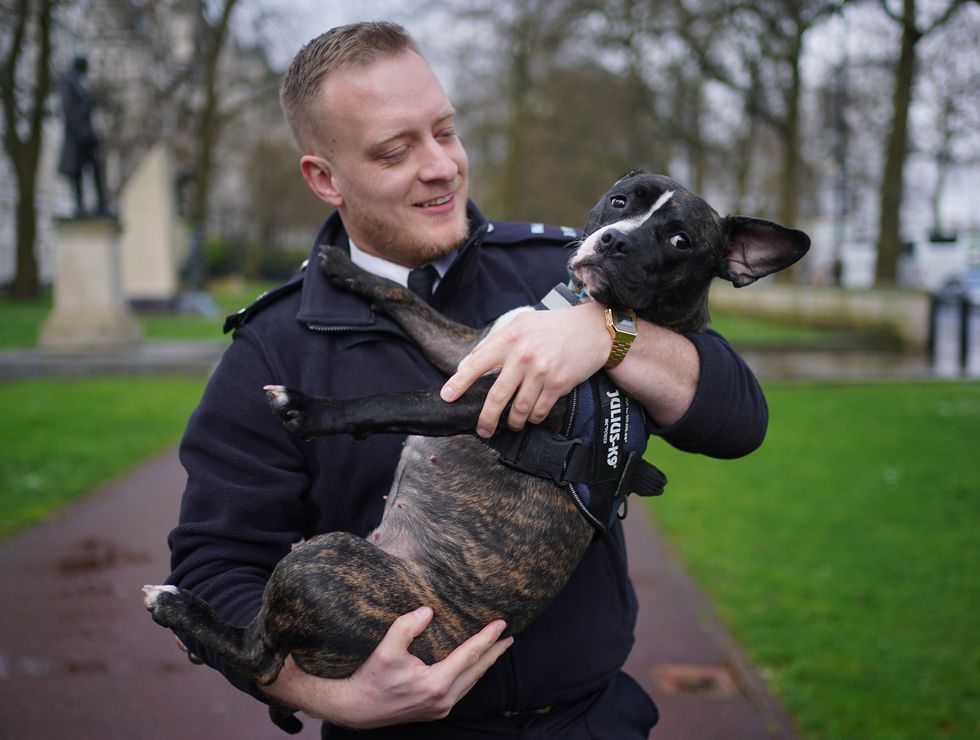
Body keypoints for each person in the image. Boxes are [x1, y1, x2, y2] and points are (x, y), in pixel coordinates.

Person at [167, 21, 769, 739]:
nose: (441, 167)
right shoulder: (271, 347)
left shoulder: (568, 268)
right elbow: (214, 562)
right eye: (396, 150)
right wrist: (323, 695)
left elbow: (739, 418)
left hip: (591, 720)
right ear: (325, 177)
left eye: (446, 132)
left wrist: (609, 335)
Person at [57, 55, 108, 217]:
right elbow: (70, 109)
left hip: (85, 133)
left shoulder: (80, 82)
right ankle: (80, 205)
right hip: (78, 135)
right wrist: (81, 132)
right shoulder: (69, 81)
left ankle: (100, 203)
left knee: (95, 167)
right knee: (78, 170)